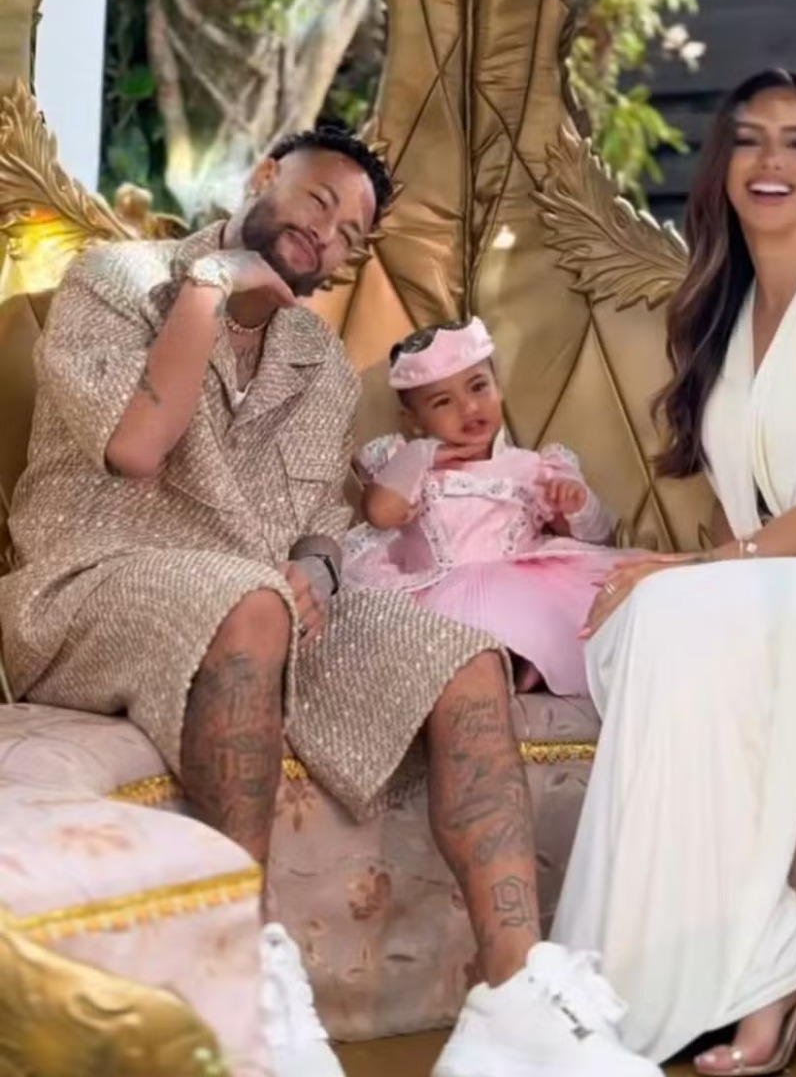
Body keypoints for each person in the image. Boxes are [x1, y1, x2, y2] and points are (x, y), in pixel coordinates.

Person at [0, 122, 659, 1077]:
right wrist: (210, 283)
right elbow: (136, 449)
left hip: (257, 600)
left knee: (463, 658)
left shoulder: (312, 354)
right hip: (91, 581)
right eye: (319, 202)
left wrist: (319, 567)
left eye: (352, 234)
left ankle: (515, 1002)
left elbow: (317, 523)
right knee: (250, 600)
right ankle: (238, 982)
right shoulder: (116, 279)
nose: (330, 236)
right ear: (266, 174)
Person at [552, 69, 796, 1075]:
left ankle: (631, 1001)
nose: (769, 160)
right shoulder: (722, 318)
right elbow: (756, 525)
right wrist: (690, 580)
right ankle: (756, 954)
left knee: (669, 612)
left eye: (795, 142)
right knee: (627, 626)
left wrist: (698, 571)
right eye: (748, 139)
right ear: (724, 166)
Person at [346, 316, 617, 695]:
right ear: (413, 421)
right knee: (438, 635)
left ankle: (525, 662)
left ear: (498, 386)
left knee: (560, 613)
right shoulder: (409, 464)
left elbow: (597, 540)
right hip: (436, 591)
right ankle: (485, 669)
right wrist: (421, 455)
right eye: (443, 401)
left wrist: (576, 502)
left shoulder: (533, 467)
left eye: (478, 386)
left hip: (519, 589)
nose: (469, 407)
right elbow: (380, 513)